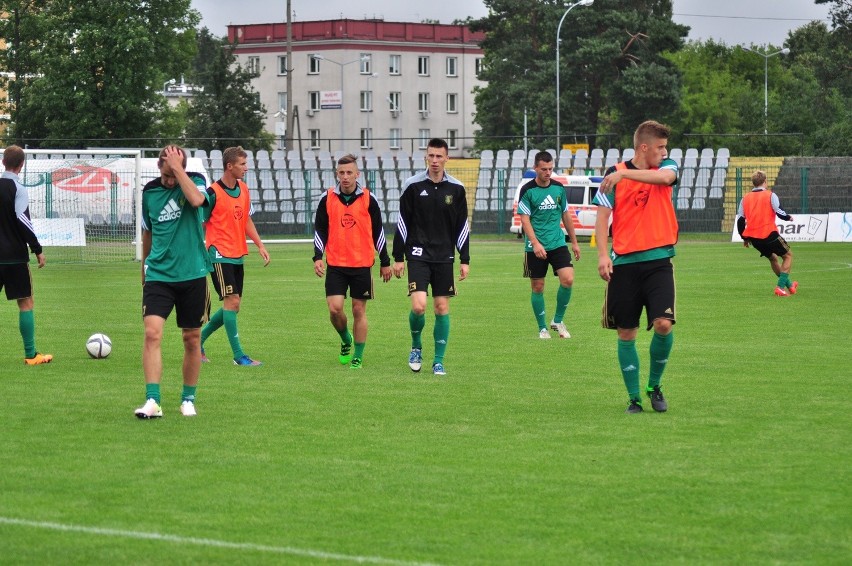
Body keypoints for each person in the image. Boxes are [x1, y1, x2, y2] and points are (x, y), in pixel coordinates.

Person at [594, 120, 679, 414]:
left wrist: (625, 175)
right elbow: (603, 217)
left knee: (663, 324)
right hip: (625, 264)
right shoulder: (612, 175)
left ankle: (654, 386)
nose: (664, 151)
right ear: (644, 147)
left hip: (658, 262)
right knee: (626, 333)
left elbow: (667, 178)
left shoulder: (666, 165)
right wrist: (603, 255)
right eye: (659, 146)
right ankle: (634, 398)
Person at [135, 145, 212, 419]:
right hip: (159, 276)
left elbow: (195, 202)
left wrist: (178, 169)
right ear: (158, 169)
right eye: (166, 175)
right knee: (152, 333)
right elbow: (148, 232)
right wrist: (145, 268)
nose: (169, 181)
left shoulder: (198, 183)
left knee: (191, 339)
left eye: (173, 174)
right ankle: (153, 400)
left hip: (193, 274)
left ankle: (187, 399)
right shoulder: (150, 192)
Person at [392, 137, 470, 376]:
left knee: (441, 307)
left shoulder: (456, 189)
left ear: (447, 158)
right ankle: (416, 347)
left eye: (439, 156)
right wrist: (397, 257)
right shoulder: (412, 185)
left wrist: (464, 259)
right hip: (417, 254)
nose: (435, 160)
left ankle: (438, 360)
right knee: (419, 306)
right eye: (431, 155)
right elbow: (402, 222)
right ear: (426, 157)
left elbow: (462, 226)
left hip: (444, 256)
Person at [313, 154, 392, 369]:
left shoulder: (369, 198)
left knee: (358, 310)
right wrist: (317, 257)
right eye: (341, 173)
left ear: (357, 174)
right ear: (337, 174)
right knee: (335, 309)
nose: (345, 177)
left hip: (361, 265)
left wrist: (385, 261)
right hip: (336, 264)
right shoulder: (327, 198)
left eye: (349, 173)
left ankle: (358, 354)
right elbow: (320, 229)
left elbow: (379, 232)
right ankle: (345, 338)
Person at [199, 146, 270, 366]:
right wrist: (198, 251)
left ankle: (197, 342)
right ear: (229, 166)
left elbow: (246, 219)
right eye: (242, 164)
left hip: (237, 253)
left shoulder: (244, 189)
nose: (246, 168)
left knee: (234, 305)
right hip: (218, 254)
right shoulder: (212, 193)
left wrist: (259, 244)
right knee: (232, 301)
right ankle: (239, 356)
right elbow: (199, 222)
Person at [518, 151, 581, 339]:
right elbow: (525, 219)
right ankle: (542, 328)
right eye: (544, 169)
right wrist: (535, 243)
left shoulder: (559, 189)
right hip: (534, 246)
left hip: (557, 243)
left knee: (568, 279)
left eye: (550, 169)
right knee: (538, 287)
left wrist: (575, 242)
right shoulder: (527, 190)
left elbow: (566, 215)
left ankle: (558, 320)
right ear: (536, 168)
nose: (548, 172)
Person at [0, 145, 52, 365]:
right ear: (21, 165)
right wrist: (37, 249)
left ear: (3, 162)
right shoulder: (18, 189)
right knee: (26, 303)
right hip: (13, 256)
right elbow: (23, 221)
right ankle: (31, 355)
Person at [736, 170, 798, 297]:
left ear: (753, 183)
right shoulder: (770, 195)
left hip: (754, 237)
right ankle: (780, 287)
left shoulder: (745, 198)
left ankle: (790, 285)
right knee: (788, 256)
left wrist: (744, 237)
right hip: (768, 233)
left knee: (773, 258)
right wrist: (788, 217)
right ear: (765, 181)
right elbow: (778, 211)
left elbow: (741, 220)